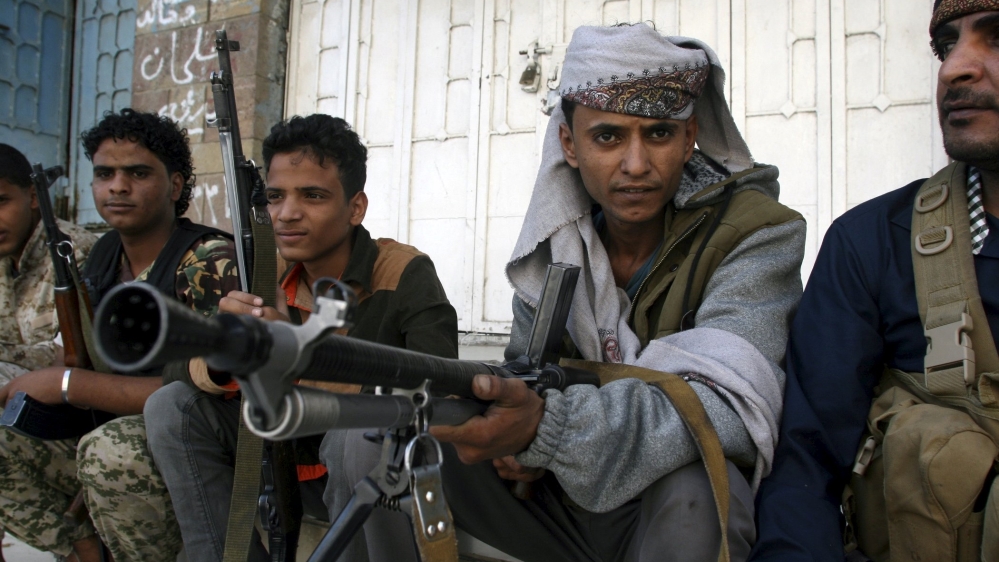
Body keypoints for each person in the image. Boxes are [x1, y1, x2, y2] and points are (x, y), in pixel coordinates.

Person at [339, 23, 806, 562]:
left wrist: (548, 429)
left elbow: (726, 412)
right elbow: (526, 377)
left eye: (658, 133)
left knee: (694, 492)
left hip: (665, 508)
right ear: (570, 143)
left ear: (690, 137)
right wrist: (520, 436)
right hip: (560, 498)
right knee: (381, 438)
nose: (636, 164)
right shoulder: (556, 246)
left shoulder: (759, 234)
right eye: (608, 136)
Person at [144, 114, 459, 562]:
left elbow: (437, 386)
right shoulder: (265, 271)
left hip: (363, 473)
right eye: (276, 197)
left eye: (312, 195)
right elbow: (176, 371)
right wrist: (225, 356)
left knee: (363, 435)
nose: (287, 213)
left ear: (355, 208)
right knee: (171, 407)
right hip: (282, 462)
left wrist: (301, 355)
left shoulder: (402, 272)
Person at [750, 2, 999, 561]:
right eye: (945, 45)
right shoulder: (872, 243)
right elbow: (805, 468)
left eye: (997, 37)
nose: (954, 68)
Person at [0, 109, 240, 562]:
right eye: (104, 173)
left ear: (174, 186)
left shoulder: (206, 259)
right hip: (109, 430)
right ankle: (80, 549)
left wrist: (70, 386)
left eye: (137, 173)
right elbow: (75, 353)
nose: (117, 186)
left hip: (191, 445)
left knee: (109, 450)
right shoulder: (103, 253)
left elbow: (204, 389)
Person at [0, 143, 98, 561]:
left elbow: (73, 354)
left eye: (1, 201)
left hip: (80, 428)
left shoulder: (76, 252)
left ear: (34, 199)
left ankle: (82, 550)